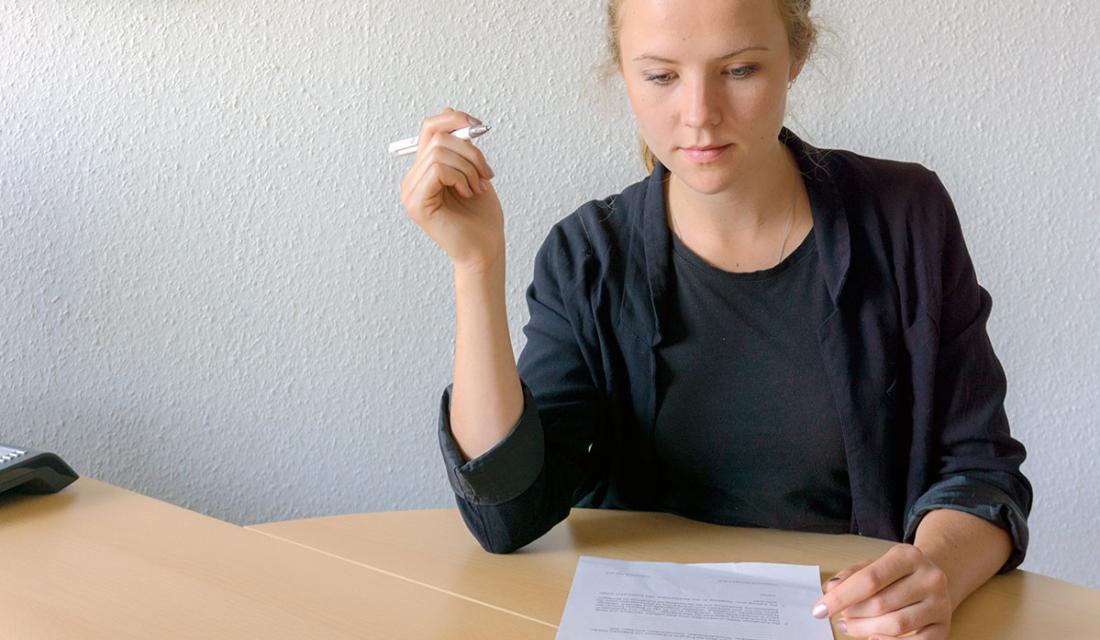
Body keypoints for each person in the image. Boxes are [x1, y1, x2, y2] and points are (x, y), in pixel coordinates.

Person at [399, 1, 1031, 638]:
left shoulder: (905, 219)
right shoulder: (589, 256)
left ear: (795, 57)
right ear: (624, 73)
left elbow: (981, 472)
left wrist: (935, 572)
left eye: (739, 70)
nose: (700, 114)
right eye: (661, 76)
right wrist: (477, 265)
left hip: (850, 626)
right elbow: (506, 516)